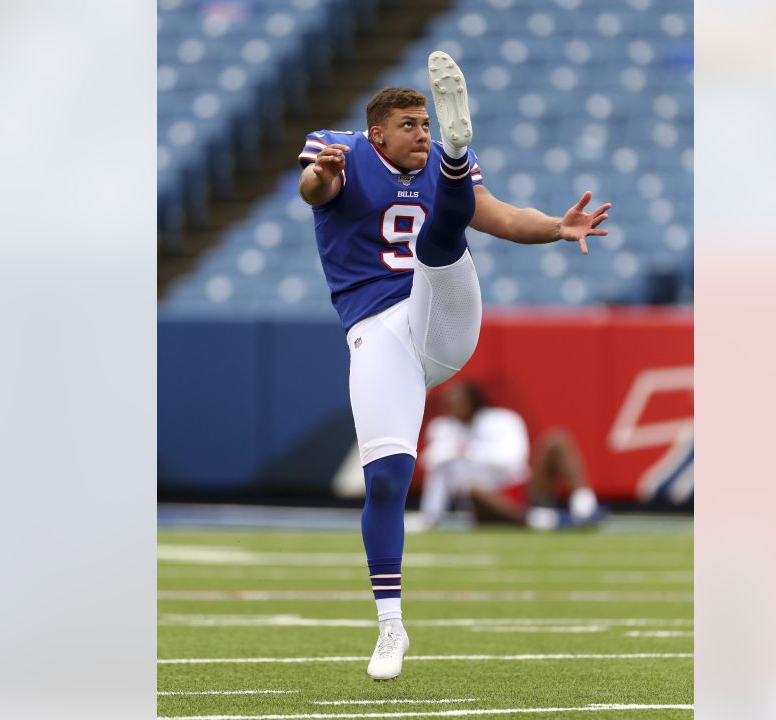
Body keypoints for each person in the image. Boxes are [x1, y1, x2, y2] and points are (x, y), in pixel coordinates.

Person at [296, 51, 611, 681]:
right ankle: (391, 629)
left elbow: (500, 217)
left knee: (443, 237)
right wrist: (321, 176)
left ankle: (464, 160)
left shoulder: (437, 167)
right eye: (411, 125)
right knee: (386, 478)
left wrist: (556, 226)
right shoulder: (340, 152)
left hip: (440, 314)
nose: (421, 132)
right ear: (377, 134)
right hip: (377, 332)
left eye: (427, 123)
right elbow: (314, 190)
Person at [413, 381, 602, 532]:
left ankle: (585, 508)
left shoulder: (502, 420)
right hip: (483, 506)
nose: (452, 406)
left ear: (473, 400)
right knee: (475, 491)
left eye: (458, 400)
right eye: (449, 402)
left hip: (519, 490)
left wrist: (465, 452)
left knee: (556, 442)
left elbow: (512, 461)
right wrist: (430, 516)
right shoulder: (441, 429)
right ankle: (547, 521)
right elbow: (434, 469)